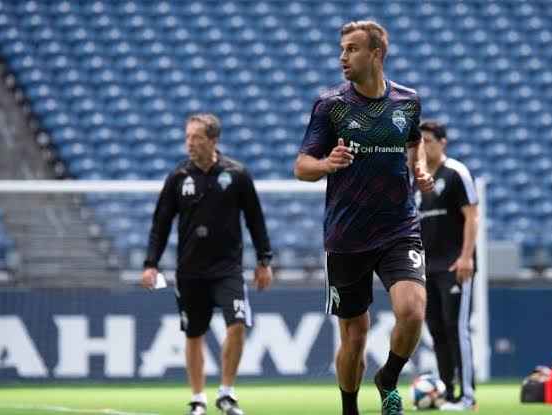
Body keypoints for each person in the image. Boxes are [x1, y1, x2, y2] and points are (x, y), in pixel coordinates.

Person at [293, 20, 434, 415]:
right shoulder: (331, 105)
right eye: (342, 49)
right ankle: (350, 408)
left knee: (412, 311)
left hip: (398, 228)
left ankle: (388, 377)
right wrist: (326, 163)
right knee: (354, 337)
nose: (343, 57)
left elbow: (414, 142)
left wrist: (418, 166)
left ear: (376, 54)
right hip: (346, 236)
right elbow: (301, 166)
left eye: (352, 49)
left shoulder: (408, 101)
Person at [141, 113, 273, 415]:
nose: (189, 143)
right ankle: (198, 398)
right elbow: (160, 224)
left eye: (196, 137)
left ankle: (226, 393)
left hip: (228, 269)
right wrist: (151, 263)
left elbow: (256, 221)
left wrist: (264, 260)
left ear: (213, 140)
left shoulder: (237, 174)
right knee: (194, 334)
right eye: (187, 137)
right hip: (190, 271)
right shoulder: (178, 177)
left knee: (238, 325)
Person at [416, 121, 479, 411]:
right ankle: (447, 393)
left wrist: (466, 257)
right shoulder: (418, 179)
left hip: (455, 265)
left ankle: (468, 398)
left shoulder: (456, 172)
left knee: (457, 330)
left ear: (443, 142)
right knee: (437, 331)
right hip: (427, 269)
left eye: (428, 140)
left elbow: (472, 216)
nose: (423, 146)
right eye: (420, 141)